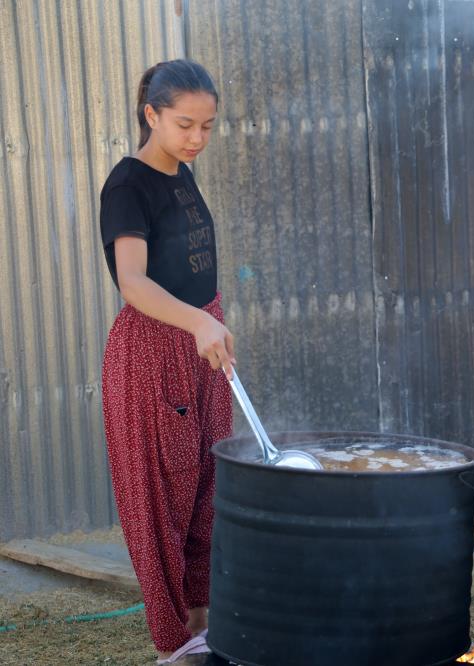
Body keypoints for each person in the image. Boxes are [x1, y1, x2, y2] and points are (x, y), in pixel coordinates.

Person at [99, 59, 234, 665]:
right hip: (153, 355)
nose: (197, 139)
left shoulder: (182, 171)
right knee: (163, 502)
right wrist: (200, 320)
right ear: (150, 114)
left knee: (208, 484)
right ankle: (174, 645)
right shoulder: (128, 185)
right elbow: (133, 283)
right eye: (185, 125)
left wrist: (213, 318)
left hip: (199, 345)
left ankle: (203, 632)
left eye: (207, 126)